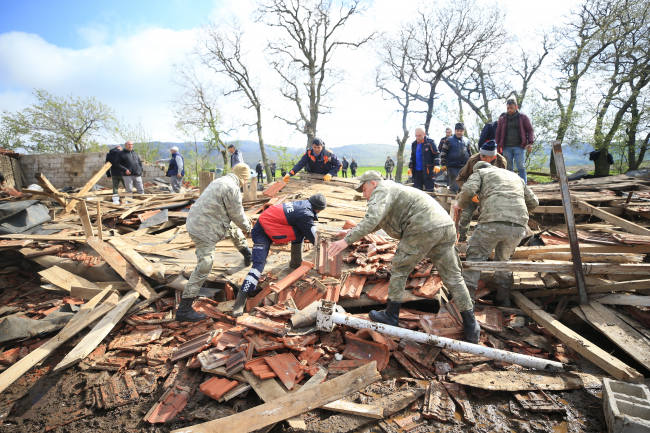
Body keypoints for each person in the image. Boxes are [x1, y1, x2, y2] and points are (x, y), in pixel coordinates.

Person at [328, 171, 480, 343]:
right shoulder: (393, 191)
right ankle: (471, 326)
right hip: (444, 227)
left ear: (373, 183)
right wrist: (349, 232)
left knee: (399, 269)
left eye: (364, 189)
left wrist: (346, 241)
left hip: (423, 227)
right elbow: (377, 223)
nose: (364, 195)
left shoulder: (381, 190)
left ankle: (391, 315)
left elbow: (372, 219)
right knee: (453, 277)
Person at [454, 161, 538, 307]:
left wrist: (459, 205)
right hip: (518, 227)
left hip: (491, 223)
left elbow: (468, 191)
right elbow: (534, 202)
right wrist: (516, 215)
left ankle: (466, 304)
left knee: (475, 259)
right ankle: (503, 299)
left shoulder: (480, 173)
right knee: (503, 261)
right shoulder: (515, 176)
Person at [233, 193, 327, 317]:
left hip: (271, 223)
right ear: (319, 209)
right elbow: (314, 237)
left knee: (300, 230)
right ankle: (240, 301)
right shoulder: (304, 213)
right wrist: (328, 250)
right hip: (261, 231)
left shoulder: (304, 204)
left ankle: (296, 262)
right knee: (258, 266)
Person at [182, 163, 253, 322]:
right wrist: (250, 227)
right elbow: (238, 216)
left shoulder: (221, 181)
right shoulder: (232, 188)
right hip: (203, 229)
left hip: (196, 220)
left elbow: (232, 219)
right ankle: (184, 308)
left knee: (233, 228)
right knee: (206, 263)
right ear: (244, 178)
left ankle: (248, 255)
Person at [454, 140, 507, 242]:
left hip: (489, 193)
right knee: (464, 216)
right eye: (481, 155)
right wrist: (471, 194)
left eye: (485, 157)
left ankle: (484, 239)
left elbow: (502, 180)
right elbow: (460, 179)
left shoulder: (501, 162)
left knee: (489, 217)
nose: (481, 158)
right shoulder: (473, 160)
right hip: (471, 191)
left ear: (494, 157)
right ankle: (460, 238)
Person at [495, 99, 535, 183]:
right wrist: (497, 145)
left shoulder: (523, 117)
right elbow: (498, 133)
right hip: (506, 147)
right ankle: (511, 186)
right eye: (508, 108)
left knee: (521, 167)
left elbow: (530, 130)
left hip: (519, 146)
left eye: (511, 108)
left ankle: (524, 187)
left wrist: (530, 143)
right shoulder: (503, 119)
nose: (509, 110)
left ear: (516, 107)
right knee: (509, 168)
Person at [440, 123, 471, 193]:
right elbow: (443, 153)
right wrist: (443, 164)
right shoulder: (448, 140)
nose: (459, 132)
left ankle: (462, 203)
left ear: (464, 131)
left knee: (464, 187)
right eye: (457, 130)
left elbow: (470, 153)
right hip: (452, 167)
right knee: (453, 187)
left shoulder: (467, 140)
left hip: (464, 167)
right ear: (455, 131)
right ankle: (452, 202)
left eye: (461, 131)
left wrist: (470, 164)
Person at [407, 127, 441, 192]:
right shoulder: (414, 144)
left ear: (424, 134)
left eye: (419, 135)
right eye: (416, 135)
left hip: (428, 171)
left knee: (429, 192)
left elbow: (437, 154)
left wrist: (437, 164)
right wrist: (410, 167)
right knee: (417, 192)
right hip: (417, 172)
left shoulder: (430, 142)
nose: (417, 137)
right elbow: (412, 157)